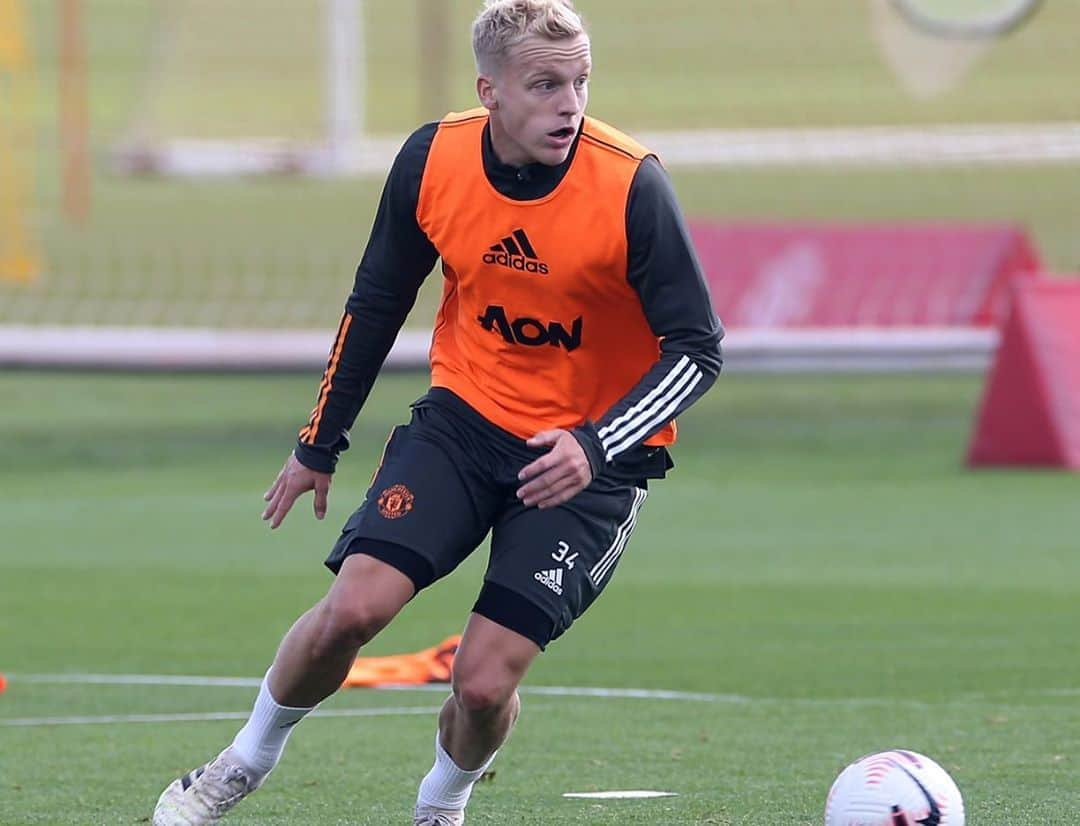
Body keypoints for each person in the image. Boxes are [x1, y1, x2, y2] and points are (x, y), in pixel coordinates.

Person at [152, 0, 722, 823]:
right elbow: (377, 300)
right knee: (353, 609)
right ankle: (241, 763)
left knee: (484, 682)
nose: (571, 104)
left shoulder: (632, 186)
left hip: (585, 463)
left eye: (581, 82)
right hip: (464, 424)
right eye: (545, 85)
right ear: (489, 91)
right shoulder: (434, 159)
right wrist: (319, 443)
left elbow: (697, 348)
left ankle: (440, 807)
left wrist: (595, 447)